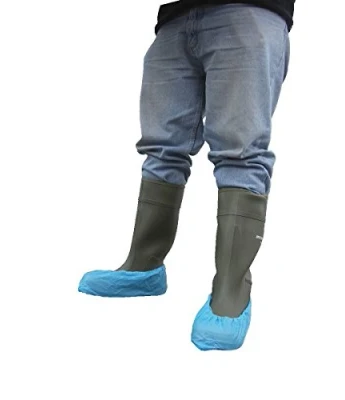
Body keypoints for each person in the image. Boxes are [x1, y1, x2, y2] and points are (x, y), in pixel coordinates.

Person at [78, 1, 295, 351]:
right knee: (161, 148)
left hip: (250, 8)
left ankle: (230, 293)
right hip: (175, 17)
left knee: (240, 151)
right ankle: (144, 266)